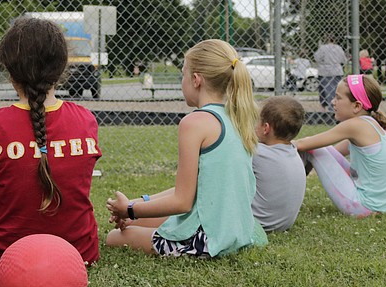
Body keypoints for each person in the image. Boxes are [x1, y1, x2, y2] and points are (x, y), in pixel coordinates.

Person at [0, 17, 101, 269]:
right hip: (79, 251)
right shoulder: (85, 120)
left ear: (11, 73)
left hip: (1, 253)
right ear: (61, 68)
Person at [105, 39, 267, 258]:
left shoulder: (194, 123)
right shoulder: (237, 118)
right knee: (139, 220)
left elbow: (182, 201)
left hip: (206, 240)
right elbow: (195, 189)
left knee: (114, 237)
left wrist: (130, 210)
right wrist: (134, 206)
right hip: (237, 231)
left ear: (196, 79)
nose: (182, 81)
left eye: (183, 74)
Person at [295, 75, 386, 217]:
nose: (333, 102)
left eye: (338, 98)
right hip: (380, 208)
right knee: (318, 149)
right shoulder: (373, 126)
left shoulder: (355, 125)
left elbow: (304, 145)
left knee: (311, 147)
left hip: (364, 208)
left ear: (357, 106)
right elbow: (331, 154)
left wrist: (272, 145)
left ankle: (284, 199)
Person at [251, 96, 306, 232]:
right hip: (283, 225)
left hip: (257, 224)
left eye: (257, 122)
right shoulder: (293, 151)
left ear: (266, 128)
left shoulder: (258, 153)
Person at [314, 35, 347, 111]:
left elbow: (317, 58)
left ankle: (330, 108)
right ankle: (336, 107)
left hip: (325, 72)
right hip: (337, 71)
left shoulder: (323, 48)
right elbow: (344, 60)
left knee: (326, 91)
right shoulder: (339, 48)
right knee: (337, 90)